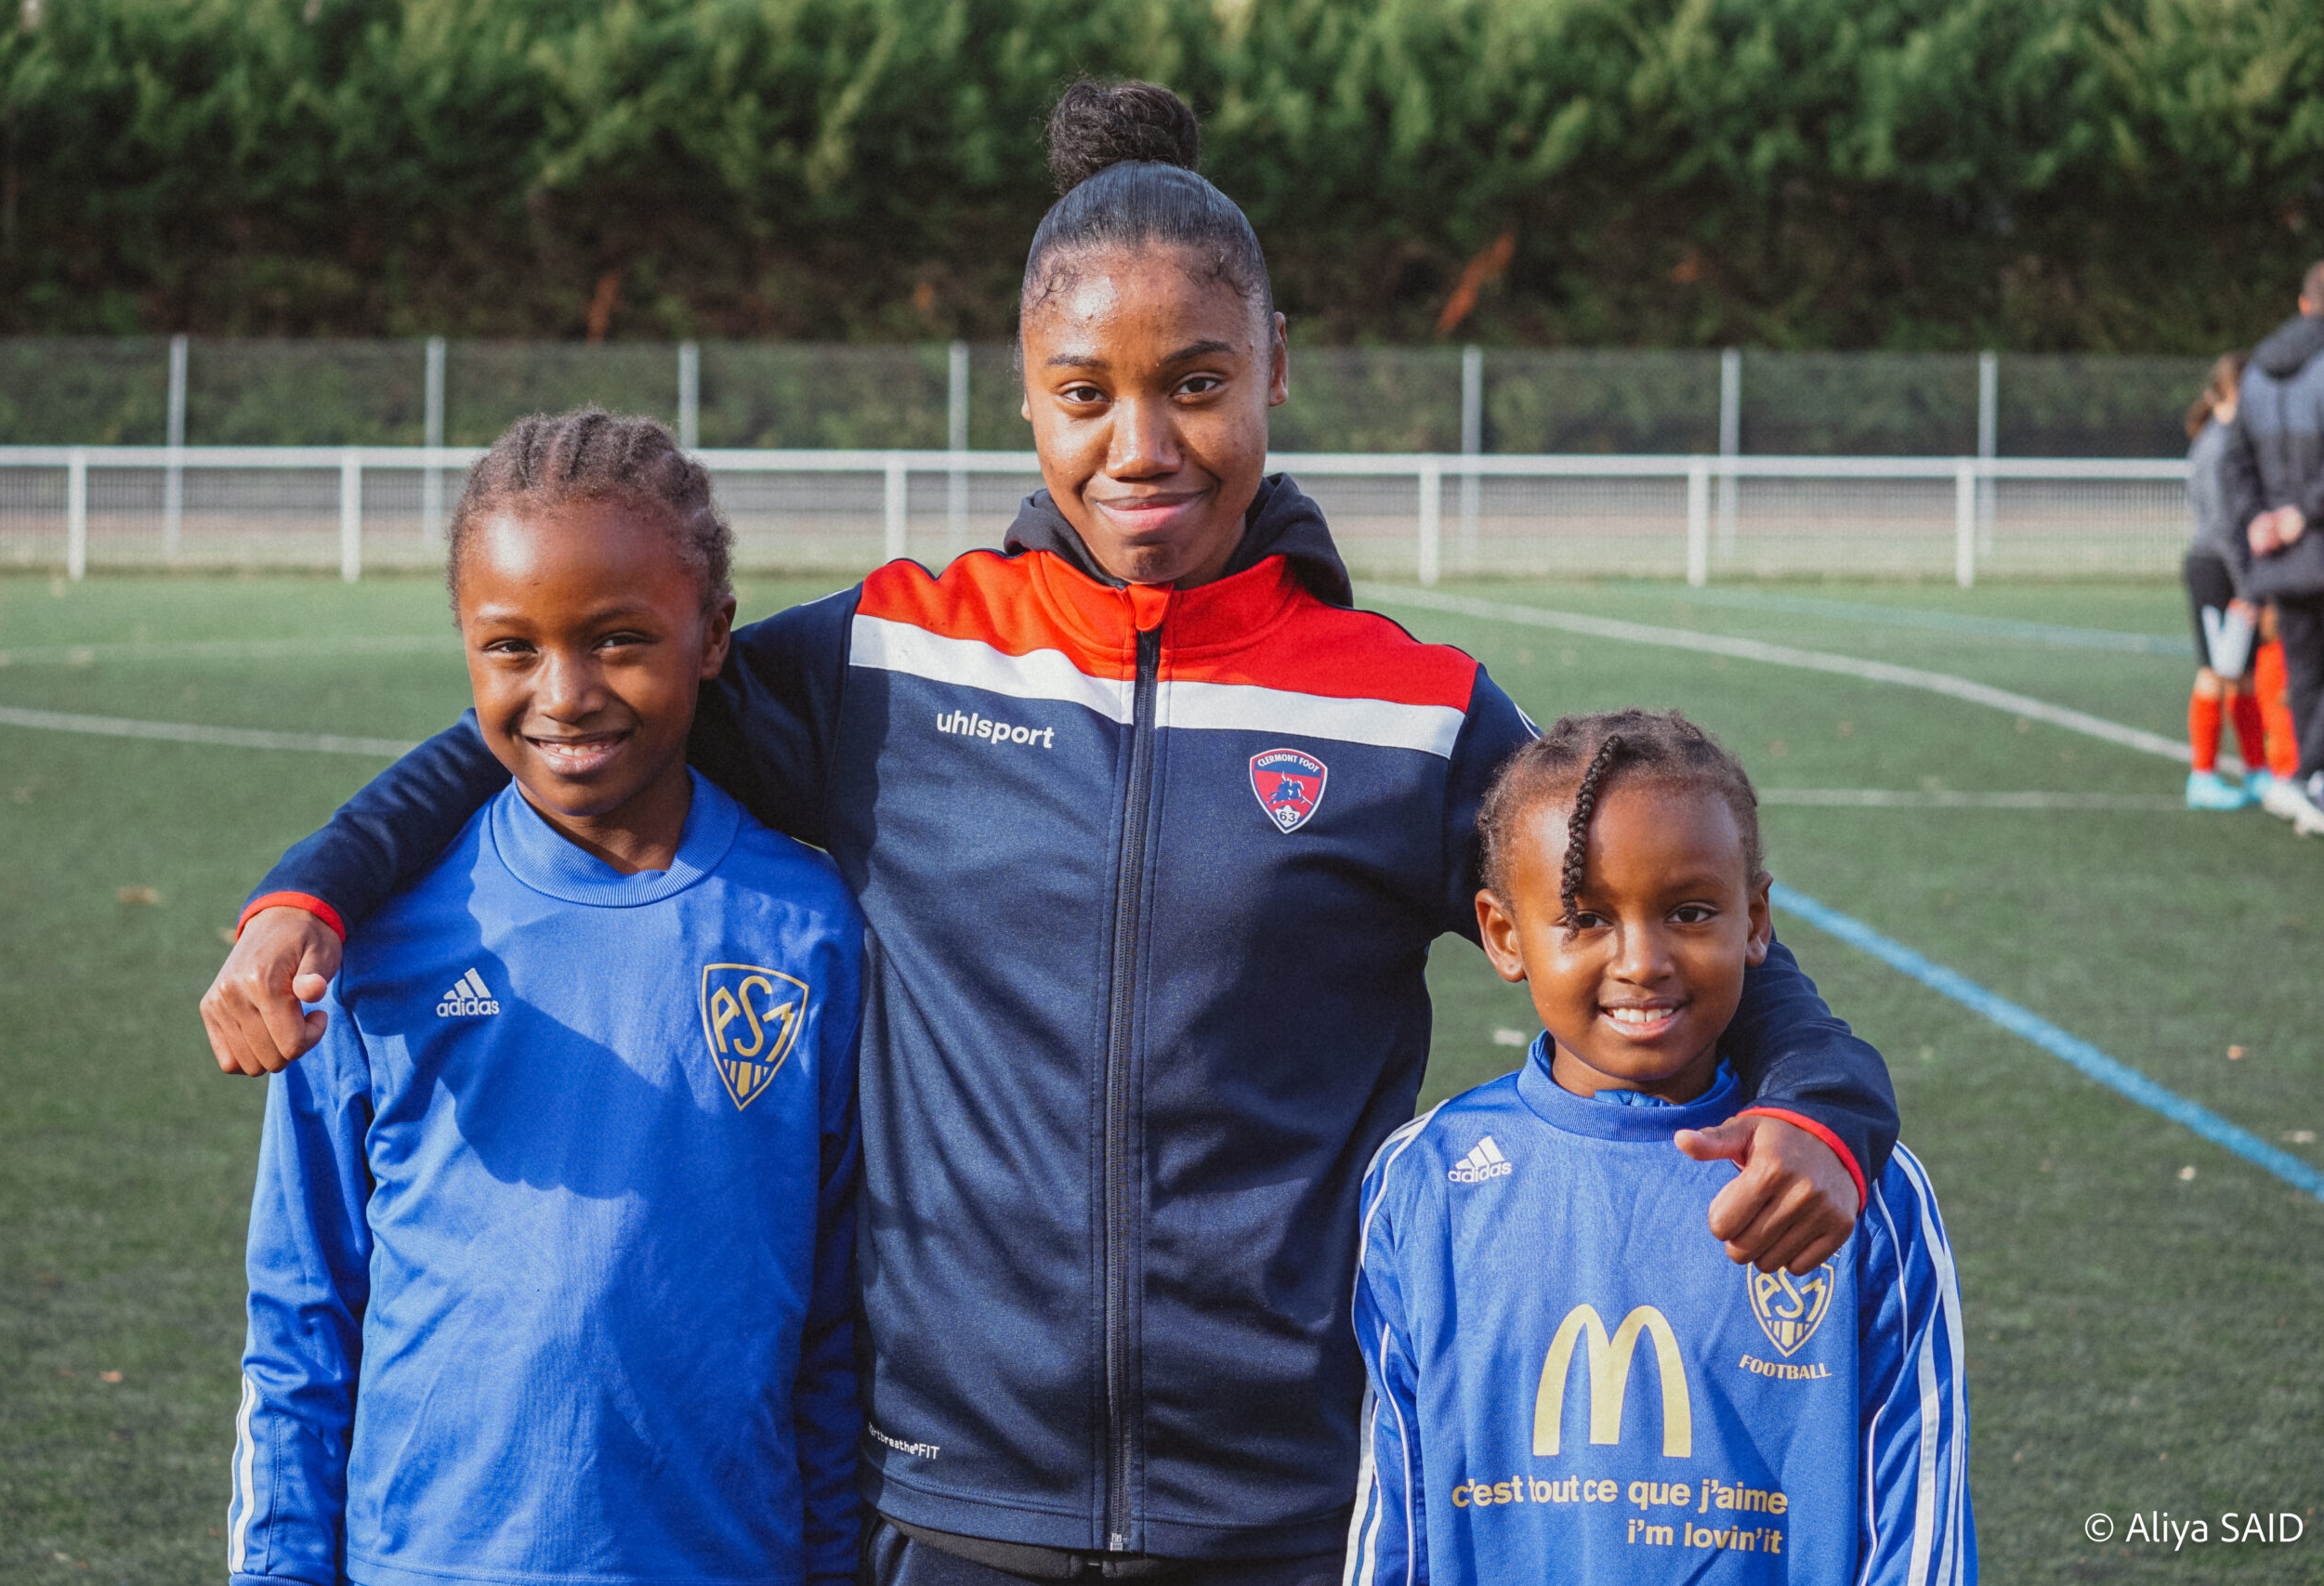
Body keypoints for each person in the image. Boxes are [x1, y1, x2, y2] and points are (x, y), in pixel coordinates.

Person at [202, 83, 1898, 1585]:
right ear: (1025, 393)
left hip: (1290, 1505)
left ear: (1278, 370)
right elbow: (577, 715)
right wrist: (314, 887)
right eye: (1085, 391)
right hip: (948, 1507)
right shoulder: (896, 656)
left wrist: (1822, 1107)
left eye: (1200, 384)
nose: (1141, 444)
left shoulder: (1408, 710)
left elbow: (1644, 909)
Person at [227, 412, 864, 1586]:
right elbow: (302, 1316)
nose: (564, 694)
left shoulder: (811, 928)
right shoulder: (378, 937)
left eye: (619, 641)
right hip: (428, 1560)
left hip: (722, 1560)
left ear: (712, 636)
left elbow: (833, 1329)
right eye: (511, 649)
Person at [1349, 710, 1971, 1585]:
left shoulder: (1854, 1185)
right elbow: (1398, 1517)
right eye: (1587, 918)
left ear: (1755, 920)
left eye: (1688, 911)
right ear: (1502, 935)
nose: (1641, 959)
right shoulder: (1427, 1180)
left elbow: (1916, 1531)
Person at [2223, 261, 2324, 835]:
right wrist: (2300, 515)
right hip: (2315, 537)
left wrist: (2257, 517)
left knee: (2306, 667)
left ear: (2302, 303)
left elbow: (2233, 461)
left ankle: (2302, 782)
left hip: (2280, 557)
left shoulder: (2258, 369)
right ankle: (2312, 776)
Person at [2180, 352, 2269, 809]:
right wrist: (2248, 589)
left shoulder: (2229, 440)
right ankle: (2203, 775)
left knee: (2245, 675)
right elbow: (2223, 528)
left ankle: (2258, 771)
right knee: (2216, 672)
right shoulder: (2218, 447)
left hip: (2231, 569)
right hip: (2216, 570)